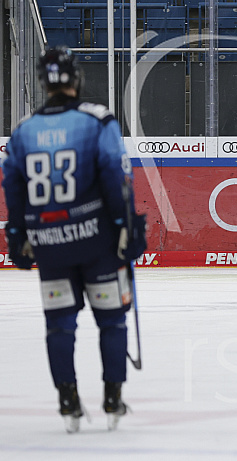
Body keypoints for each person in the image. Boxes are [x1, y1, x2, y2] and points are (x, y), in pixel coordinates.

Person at [1, 47, 146, 433]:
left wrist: (17, 238)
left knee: (60, 326)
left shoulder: (23, 130)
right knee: (112, 322)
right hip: (98, 244)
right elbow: (117, 179)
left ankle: (68, 401)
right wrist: (127, 228)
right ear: (76, 79)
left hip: (51, 246)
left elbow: (13, 191)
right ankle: (113, 397)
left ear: (43, 82)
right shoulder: (97, 120)